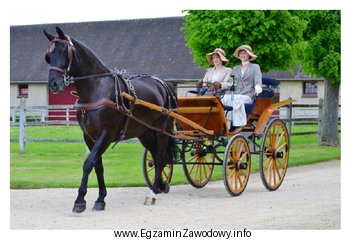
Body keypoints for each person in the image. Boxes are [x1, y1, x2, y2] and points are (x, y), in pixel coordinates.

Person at [222, 45, 262, 133]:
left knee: (234, 99)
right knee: (225, 98)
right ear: (239, 56)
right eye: (241, 53)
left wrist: (258, 89)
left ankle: (238, 124)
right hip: (235, 94)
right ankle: (227, 124)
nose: (242, 55)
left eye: (245, 53)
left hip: (247, 96)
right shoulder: (235, 69)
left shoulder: (255, 67)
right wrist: (222, 87)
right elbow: (230, 84)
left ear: (249, 55)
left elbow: (258, 81)